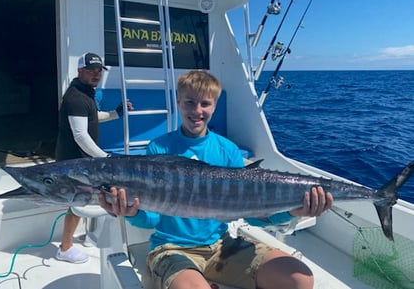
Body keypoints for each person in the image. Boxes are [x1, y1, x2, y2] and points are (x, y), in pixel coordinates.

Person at [99, 70, 333, 289]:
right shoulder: (159, 148)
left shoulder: (228, 150)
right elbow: (151, 220)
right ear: (178, 103)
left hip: (222, 246)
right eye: (189, 102)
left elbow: (254, 218)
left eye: (205, 103)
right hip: (171, 248)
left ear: (214, 106)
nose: (197, 110)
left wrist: (294, 211)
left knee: (299, 278)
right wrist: (132, 213)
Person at [55, 52, 133, 264]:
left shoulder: (85, 93)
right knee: (76, 204)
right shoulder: (76, 97)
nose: (96, 74)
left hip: (82, 160)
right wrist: (106, 158)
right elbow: (81, 136)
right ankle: (65, 247)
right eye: (91, 70)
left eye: (99, 71)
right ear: (80, 71)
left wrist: (116, 113)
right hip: (73, 161)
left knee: (84, 200)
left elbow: (91, 117)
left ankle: (84, 237)